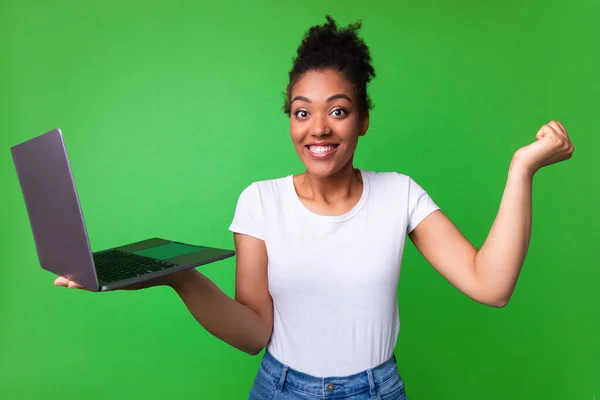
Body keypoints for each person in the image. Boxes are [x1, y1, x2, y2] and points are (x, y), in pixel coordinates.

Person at [55, 16, 574, 400]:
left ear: (363, 120)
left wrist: (520, 171)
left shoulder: (400, 195)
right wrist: (179, 278)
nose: (318, 129)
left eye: (339, 111)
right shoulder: (260, 201)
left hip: (378, 389)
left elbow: (492, 284)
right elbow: (254, 333)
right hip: (281, 388)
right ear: (290, 119)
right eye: (302, 112)